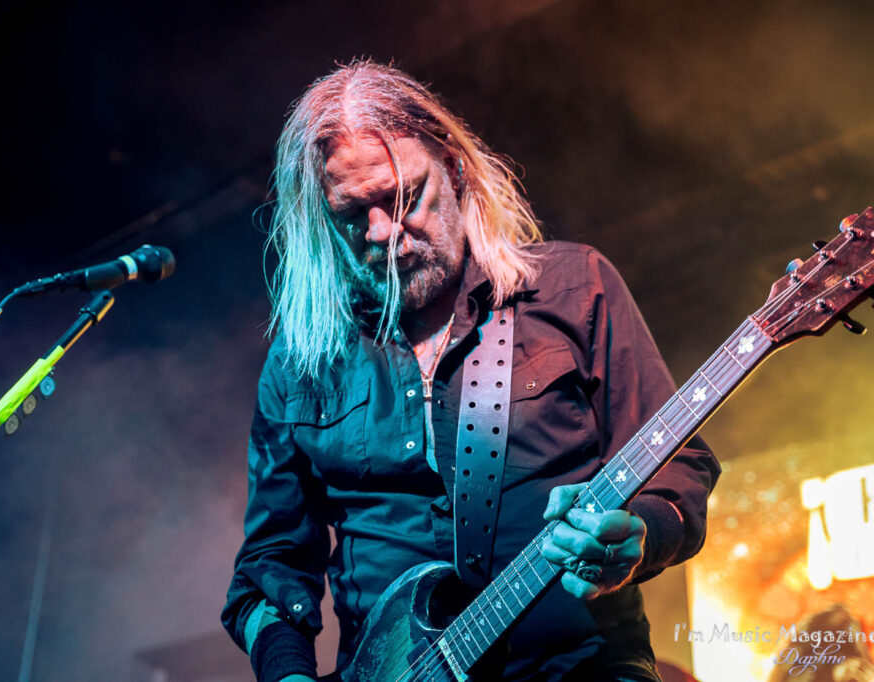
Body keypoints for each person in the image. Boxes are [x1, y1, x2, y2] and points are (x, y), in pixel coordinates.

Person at [222, 59, 720, 682]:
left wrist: (640, 533)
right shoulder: (302, 361)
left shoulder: (572, 288)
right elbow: (268, 570)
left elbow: (680, 467)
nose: (382, 233)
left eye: (402, 197)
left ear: (454, 168)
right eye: (351, 213)